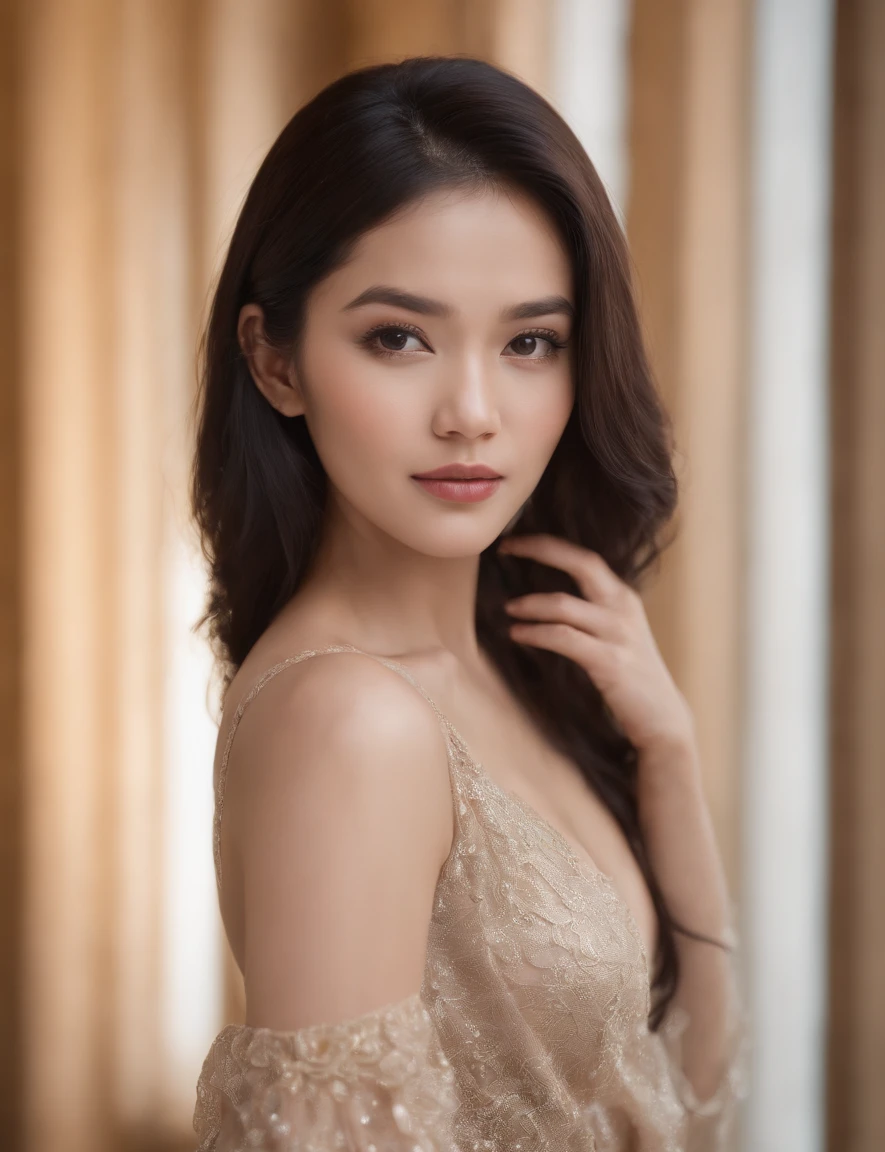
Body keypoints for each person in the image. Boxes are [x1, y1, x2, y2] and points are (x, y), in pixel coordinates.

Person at [189, 54, 749, 1152]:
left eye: (529, 342)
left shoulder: (518, 665)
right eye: (398, 337)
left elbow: (688, 1099)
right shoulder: (346, 723)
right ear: (274, 361)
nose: (472, 412)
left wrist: (668, 761)